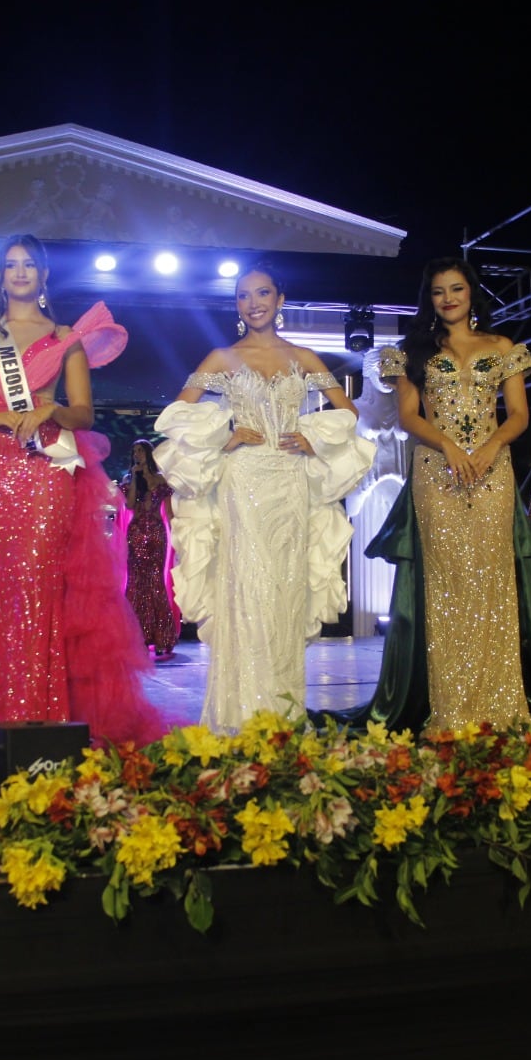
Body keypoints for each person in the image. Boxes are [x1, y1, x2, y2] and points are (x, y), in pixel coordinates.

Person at [0, 234, 165, 749]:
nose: (20, 272)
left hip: (44, 471)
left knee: (38, 591)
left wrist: (49, 410)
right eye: (11, 265)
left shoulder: (66, 338)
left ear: (45, 275)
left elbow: (84, 413)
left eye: (29, 264)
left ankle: (40, 725)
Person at [341, 257, 531, 735]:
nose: (448, 299)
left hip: (492, 474)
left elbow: (519, 416)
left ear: (471, 294)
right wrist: (449, 446)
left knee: (492, 584)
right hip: (436, 472)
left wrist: (487, 448)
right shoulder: (412, 351)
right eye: (438, 291)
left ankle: (500, 704)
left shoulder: (503, 347)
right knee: (446, 588)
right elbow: (409, 417)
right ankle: (450, 707)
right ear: (429, 299)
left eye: (456, 290)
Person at [154, 262, 373, 731]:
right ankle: (241, 715)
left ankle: (282, 715)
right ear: (237, 304)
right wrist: (225, 439)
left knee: (285, 592)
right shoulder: (221, 358)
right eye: (243, 296)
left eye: (262, 293)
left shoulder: (305, 358)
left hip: (290, 483)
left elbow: (349, 412)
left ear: (279, 299)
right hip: (243, 482)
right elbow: (175, 417)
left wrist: (312, 438)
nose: (253, 303)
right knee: (246, 589)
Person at [120, 439, 180, 661]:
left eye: (141, 451)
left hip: (156, 533)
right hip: (135, 534)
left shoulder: (160, 480)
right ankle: (138, 638)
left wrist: (180, 534)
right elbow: (128, 505)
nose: (137, 455)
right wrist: (136, 477)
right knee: (135, 583)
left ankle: (162, 637)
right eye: (134, 451)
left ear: (148, 454)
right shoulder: (130, 479)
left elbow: (170, 511)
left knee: (155, 582)